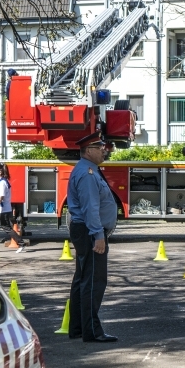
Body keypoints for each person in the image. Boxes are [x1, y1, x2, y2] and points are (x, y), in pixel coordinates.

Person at [67, 132, 118, 343]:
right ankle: (92, 331)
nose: (104, 150)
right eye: (100, 148)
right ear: (89, 151)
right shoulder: (87, 173)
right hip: (89, 231)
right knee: (94, 280)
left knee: (82, 279)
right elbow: (91, 208)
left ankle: (78, 327)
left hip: (83, 230)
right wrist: (98, 235)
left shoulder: (88, 170)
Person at [0, 163, 27, 253]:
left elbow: (1, 197)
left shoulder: (3, 183)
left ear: (0, 172)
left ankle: (21, 243)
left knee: (7, 228)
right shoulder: (1, 182)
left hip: (3, 210)